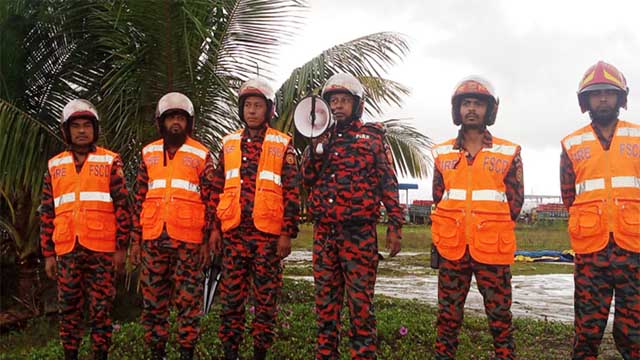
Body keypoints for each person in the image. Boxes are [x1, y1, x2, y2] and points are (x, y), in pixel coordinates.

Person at [301, 73, 403, 359]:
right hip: (325, 235)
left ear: (357, 104)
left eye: (344, 101)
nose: (338, 107)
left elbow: (388, 181)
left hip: (358, 235)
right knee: (325, 305)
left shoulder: (372, 138)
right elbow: (306, 178)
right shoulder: (319, 137)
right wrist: (316, 147)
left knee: (360, 306)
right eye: (333, 101)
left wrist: (395, 224)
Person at [430, 76, 524, 359]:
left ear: (489, 110)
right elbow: (438, 197)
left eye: (478, 104)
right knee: (447, 318)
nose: (471, 109)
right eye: (466, 103)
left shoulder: (509, 152)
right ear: (457, 110)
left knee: (499, 318)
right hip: (452, 250)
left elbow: (515, 203)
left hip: (492, 251)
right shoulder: (442, 153)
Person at [211, 77, 300, 360]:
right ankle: (230, 351)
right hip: (234, 235)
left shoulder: (283, 144)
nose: (251, 111)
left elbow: (292, 192)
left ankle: (260, 351)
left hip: (268, 237)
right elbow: (217, 188)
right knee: (231, 300)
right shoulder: (228, 144)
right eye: (247, 105)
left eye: (257, 106)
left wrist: (286, 233)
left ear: (268, 109)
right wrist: (214, 230)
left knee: (265, 300)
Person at [560, 60, 639, 360]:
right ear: (586, 101)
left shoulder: (638, 137)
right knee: (587, 332)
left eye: (609, 92)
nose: (603, 98)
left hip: (634, 250)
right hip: (591, 251)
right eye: (596, 93)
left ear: (621, 98)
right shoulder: (571, 144)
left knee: (634, 335)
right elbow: (569, 196)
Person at [40, 99, 131, 360]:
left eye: (87, 126)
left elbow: (123, 207)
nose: (82, 131)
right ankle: (71, 354)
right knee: (68, 309)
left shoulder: (110, 161)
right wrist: (48, 253)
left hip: (101, 251)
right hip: (67, 250)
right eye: (76, 126)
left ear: (95, 130)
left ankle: (100, 354)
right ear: (66, 131)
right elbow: (47, 211)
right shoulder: (54, 166)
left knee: (101, 309)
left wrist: (121, 248)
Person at [129, 92, 215, 360]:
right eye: (170, 118)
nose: (175, 123)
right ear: (161, 122)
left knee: (189, 302)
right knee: (153, 302)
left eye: (180, 118)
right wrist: (135, 239)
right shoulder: (149, 153)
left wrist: (207, 238)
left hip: (188, 242)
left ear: (188, 122)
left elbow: (211, 198)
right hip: (154, 239)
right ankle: (157, 352)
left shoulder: (201, 154)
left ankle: (186, 351)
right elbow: (139, 197)